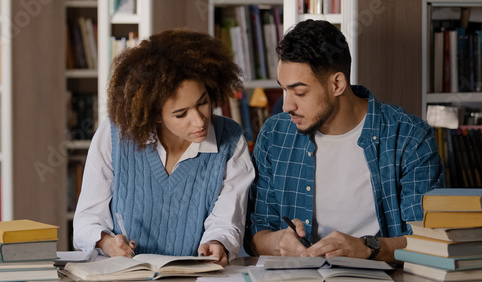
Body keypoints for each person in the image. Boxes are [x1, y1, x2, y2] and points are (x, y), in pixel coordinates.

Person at [245, 20, 445, 262]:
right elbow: (255, 232)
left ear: (337, 84)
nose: (287, 106)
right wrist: (277, 242)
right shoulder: (274, 135)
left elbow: (430, 239)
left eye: (299, 92)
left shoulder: (410, 137)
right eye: (284, 90)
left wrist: (368, 247)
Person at [73, 29, 255, 267]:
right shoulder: (115, 133)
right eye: (181, 114)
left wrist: (218, 243)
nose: (200, 121)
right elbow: (87, 220)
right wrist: (106, 242)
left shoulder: (230, 138)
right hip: (128, 275)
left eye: (203, 102)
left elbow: (227, 220)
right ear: (155, 116)